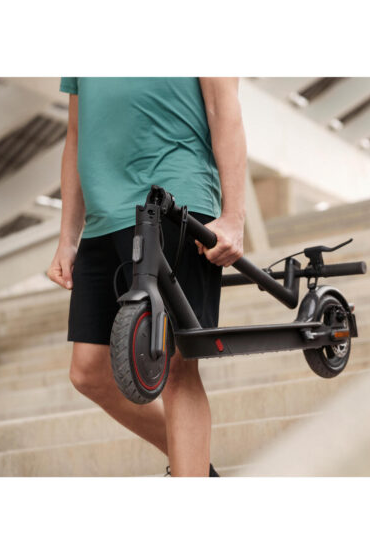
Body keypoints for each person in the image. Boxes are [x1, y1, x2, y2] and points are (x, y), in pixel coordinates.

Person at [47, 78, 247, 477]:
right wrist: (67, 238)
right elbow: (76, 135)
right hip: (104, 217)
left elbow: (222, 105)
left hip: (174, 198)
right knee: (89, 371)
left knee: (176, 366)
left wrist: (234, 216)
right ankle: (197, 470)